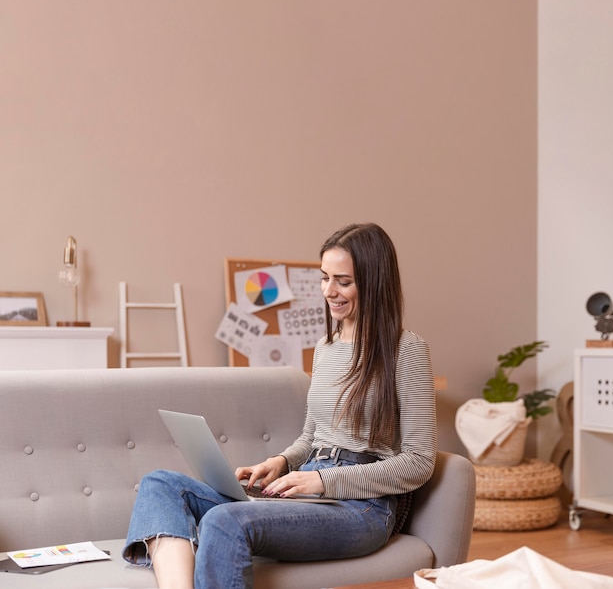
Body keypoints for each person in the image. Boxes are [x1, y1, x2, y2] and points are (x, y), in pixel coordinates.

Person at [122, 222, 437, 589]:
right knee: (160, 484)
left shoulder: (407, 350)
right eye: (324, 278)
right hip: (307, 490)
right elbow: (311, 436)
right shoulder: (326, 348)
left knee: (224, 520)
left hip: (362, 508)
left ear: (375, 281)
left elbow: (419, 461)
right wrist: (282, 462)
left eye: (343, 281)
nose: (328, 291)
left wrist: (322, 481)